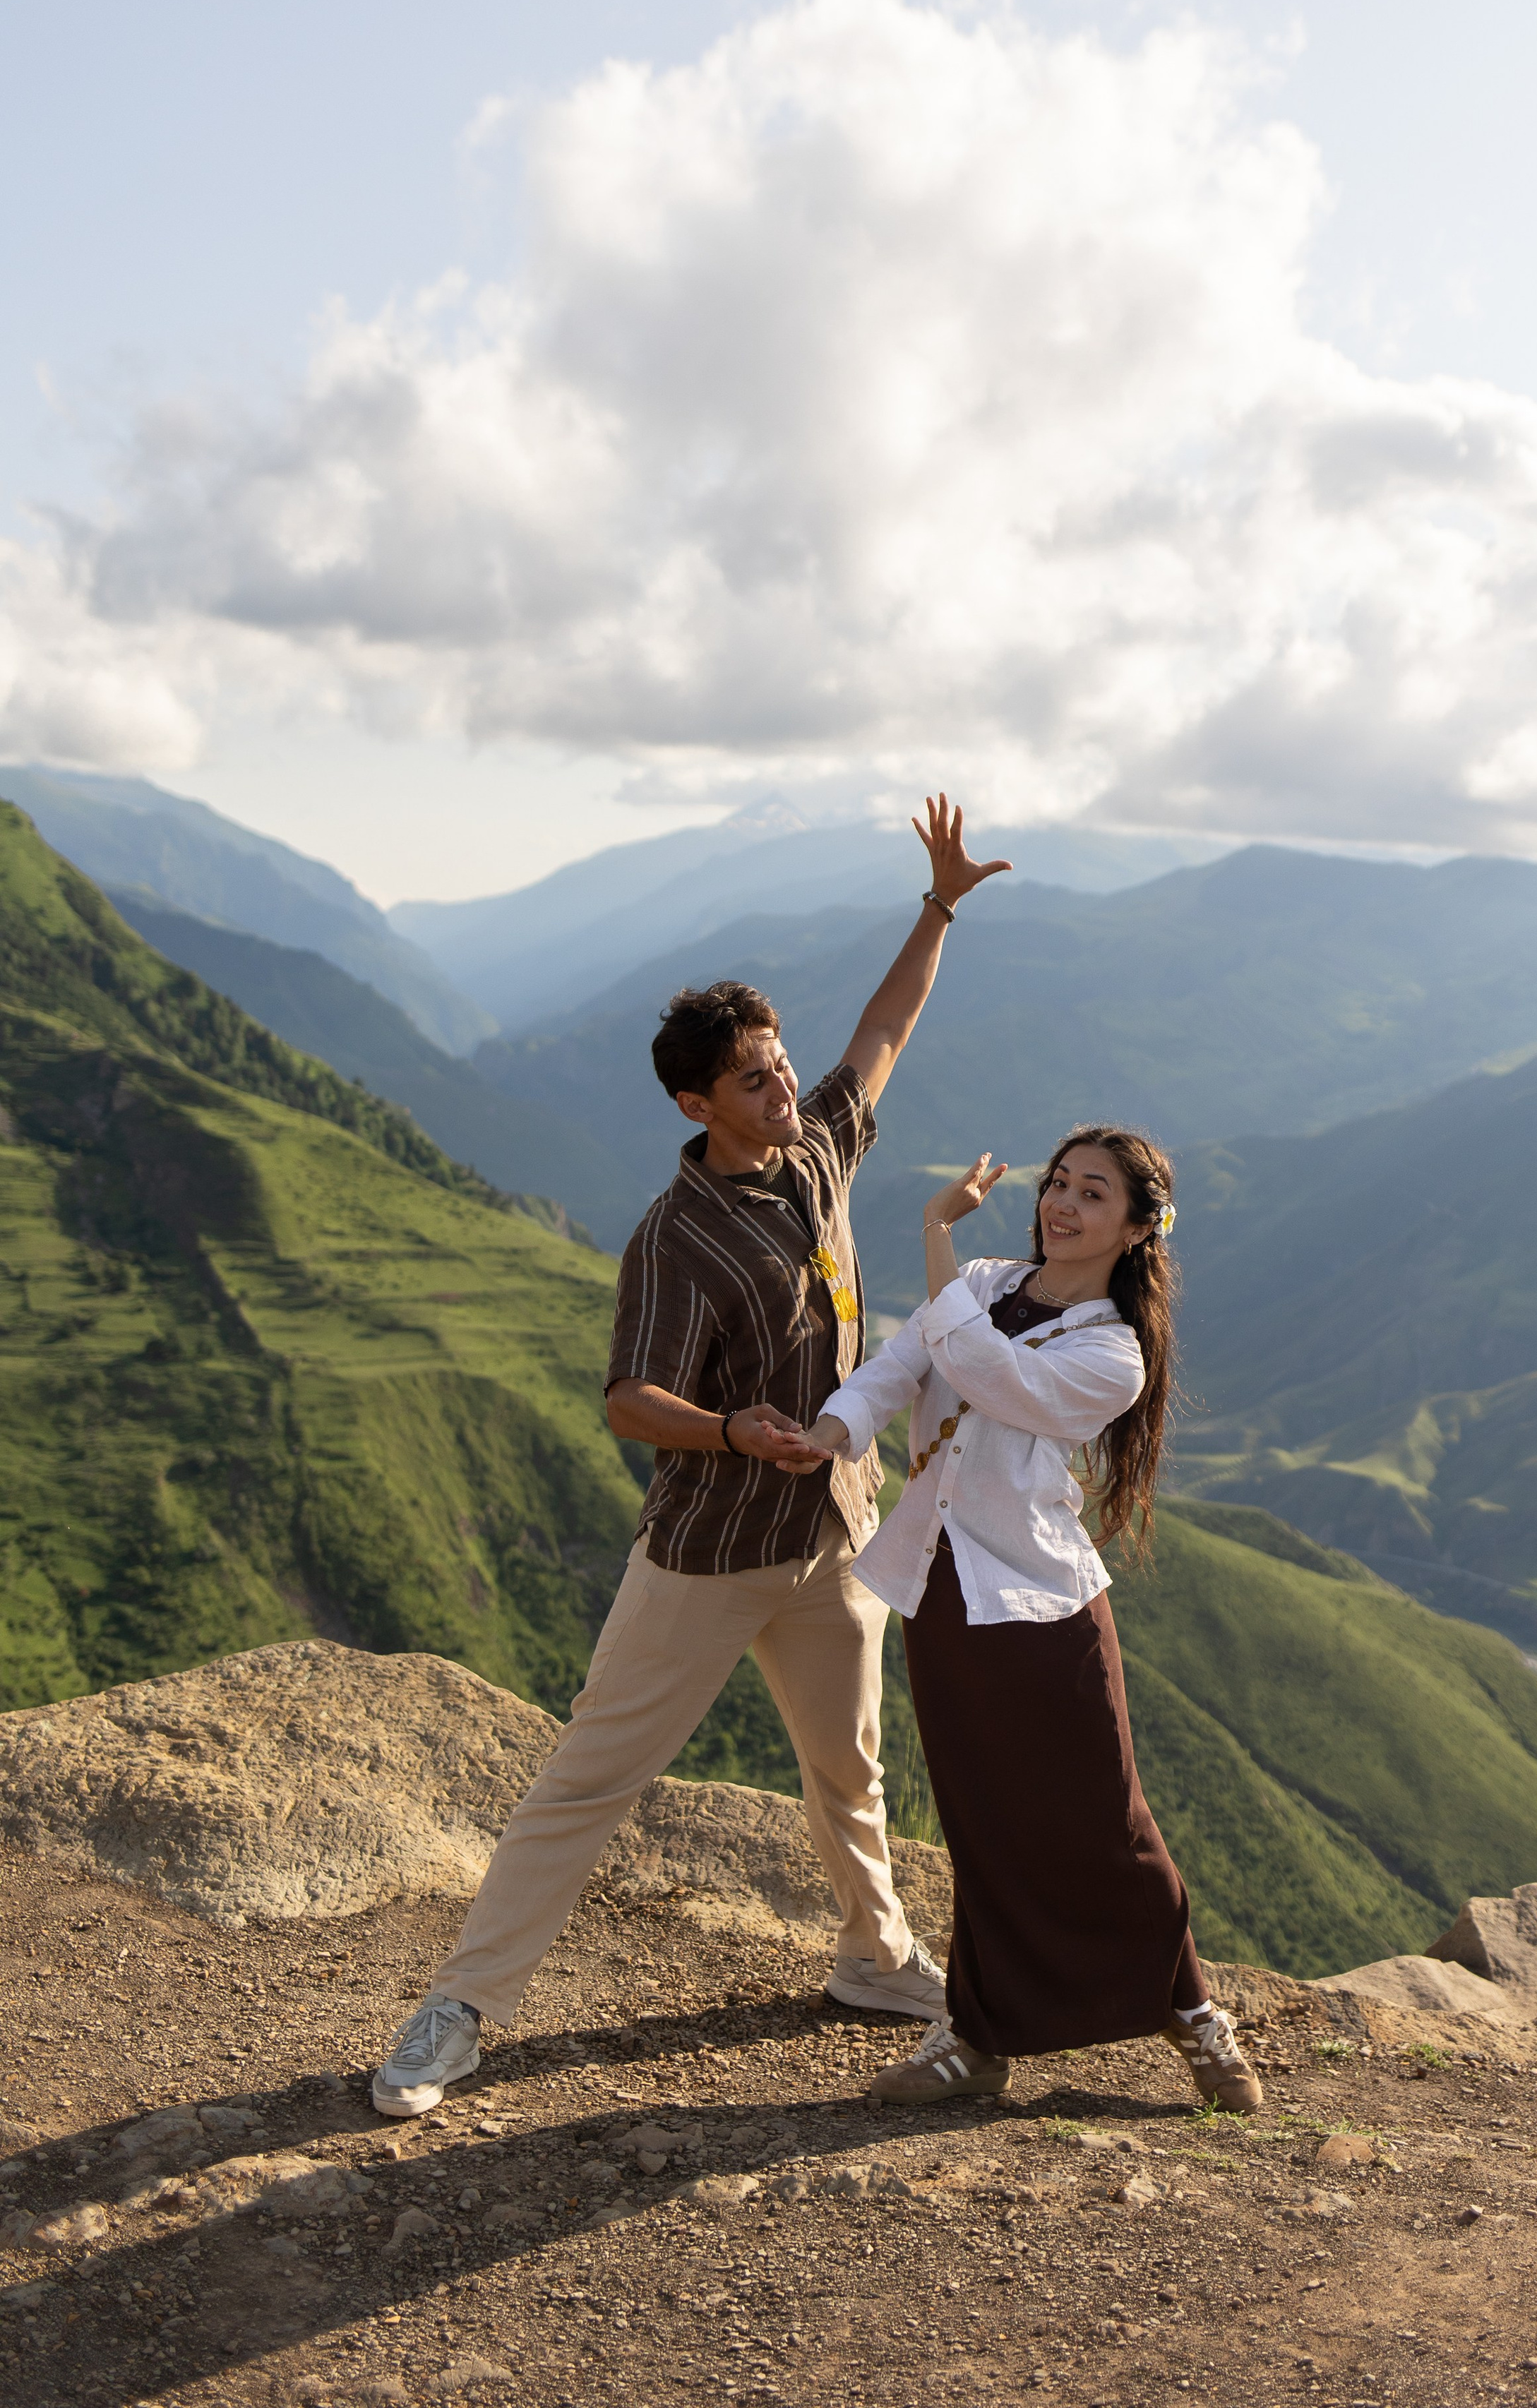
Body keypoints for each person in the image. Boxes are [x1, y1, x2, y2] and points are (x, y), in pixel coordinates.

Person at [369, 796, 1011, 2119]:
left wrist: (939, 904)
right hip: (709, 1554)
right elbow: (626, 1398)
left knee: (850, 1769)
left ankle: (876, 1958)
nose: (783, 1084)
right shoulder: (677, 1236)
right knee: (590, 1778)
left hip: (831, 1532)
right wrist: (727, 1427)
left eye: (779, 1065)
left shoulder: (819, 1150)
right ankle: (462, 2009)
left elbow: (883, 1030)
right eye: (755, 1078)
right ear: (694, 1101)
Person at [796, 1126, 1263, 2112]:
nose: (1062, 1202)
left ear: (1138, 1227)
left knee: (1106, 1821)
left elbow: (981, 1372)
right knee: (982, 1819)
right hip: (944, 1589)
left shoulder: (1113, 1352)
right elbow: (902, 1364)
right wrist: (830, 1432)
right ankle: (977, 2036)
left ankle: (1191, 2011)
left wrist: (931, 1228)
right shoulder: (990, 1277)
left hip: (1043, 1605)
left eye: (1093, 1193)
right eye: (1058, 1182)